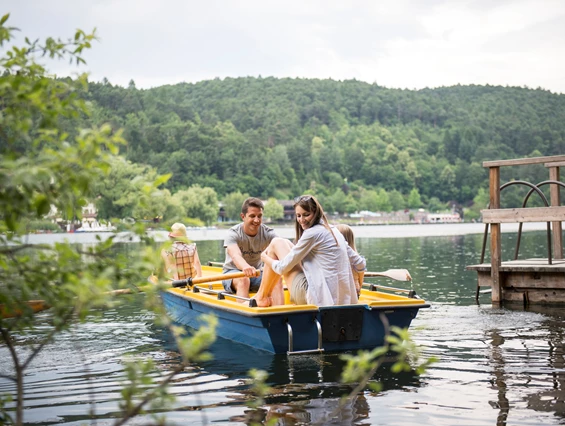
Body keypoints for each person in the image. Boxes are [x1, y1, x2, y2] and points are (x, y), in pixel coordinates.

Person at [255, 195, 366, 307]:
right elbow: (360, 264)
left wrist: (264, 258)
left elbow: (281, 268)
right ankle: (264, 297)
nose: (302, 220)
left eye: (306, 215)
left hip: (316, 298)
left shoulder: (312, 233)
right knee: (286, 243)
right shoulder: (333, 230)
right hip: (343, 300)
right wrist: (357, 285)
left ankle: (262, 297)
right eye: (298, 216)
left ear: (315, 212)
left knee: (276, 242)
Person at [222, 197, 279, 301]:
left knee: (276, 278)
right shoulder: (233, 233)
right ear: (243, 216)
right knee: (244, 280)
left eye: (259, 216)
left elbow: (282, 248)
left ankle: (278, 312)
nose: (257, 220)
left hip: (256, 274)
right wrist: (245, 267)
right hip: (232, 273)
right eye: (252, 216)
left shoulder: (268, 233)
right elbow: (235, 255)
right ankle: (246, 313)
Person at [336, 224, 366, 296]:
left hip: (340, 291)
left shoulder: (334, 258)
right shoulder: (358, 259)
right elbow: (361, 279)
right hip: (355, 290)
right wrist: (359, 286)